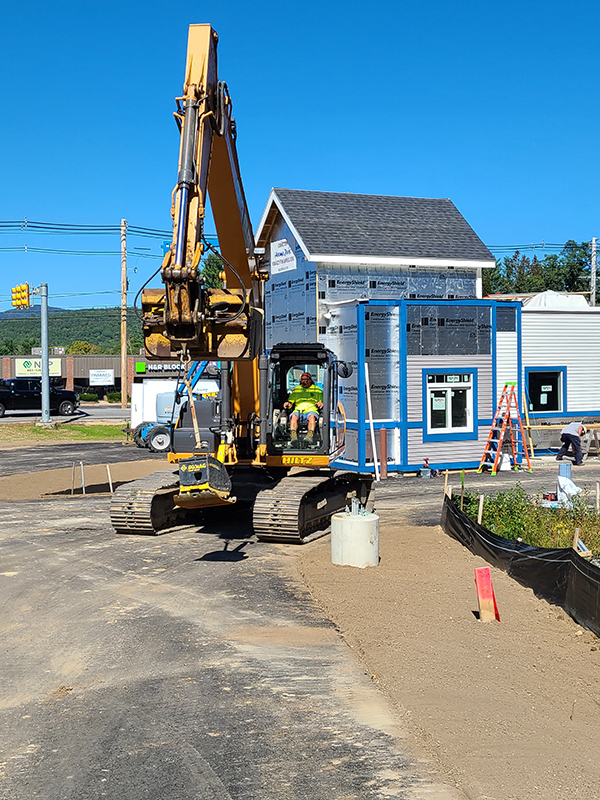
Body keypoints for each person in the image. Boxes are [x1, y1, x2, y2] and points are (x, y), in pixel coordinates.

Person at [283, 372, 323, 445]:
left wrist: (320, 404)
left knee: (311, 417)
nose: (303, 382)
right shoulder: (296, 390)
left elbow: (321, 402)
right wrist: (288, 404)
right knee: (294, 417)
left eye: (305, 380)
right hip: (298, 410)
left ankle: (310, 436)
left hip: (311, 410)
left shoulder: (317, 390)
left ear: (310, 380)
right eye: (302, 380)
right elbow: (291, 402)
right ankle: (293, 436)